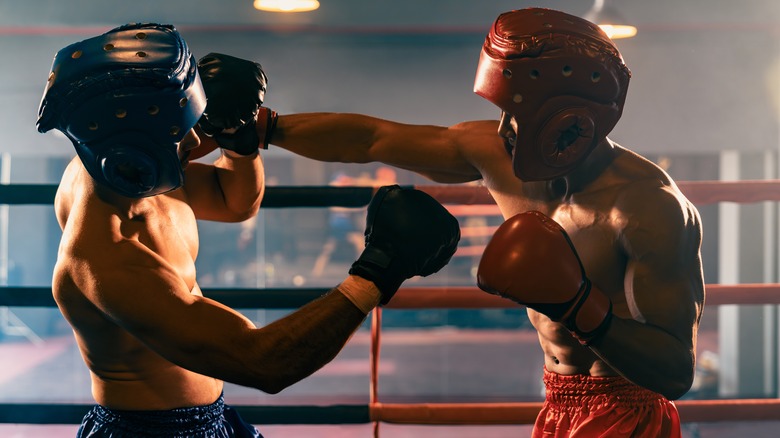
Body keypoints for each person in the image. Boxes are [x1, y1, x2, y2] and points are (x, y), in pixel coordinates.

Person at [199, 7, 706, 437]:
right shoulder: (500, 154)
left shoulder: (648, 208)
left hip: (628, 410)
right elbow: (373, 140)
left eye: (519, 116)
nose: (504, 131)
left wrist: (578, 305)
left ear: (570, 118)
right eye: (504, 112)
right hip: (556, 400)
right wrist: (261, 128)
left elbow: (674, 372)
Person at [37, 23, 460, 437]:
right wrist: (377, 273)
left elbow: (233, 202)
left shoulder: (132, 176)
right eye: (180, 133)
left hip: (214, 418)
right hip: (149, 432)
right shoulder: (104, 258)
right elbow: (264, 363)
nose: (195, 142)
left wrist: (239, 142)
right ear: (131, 148)